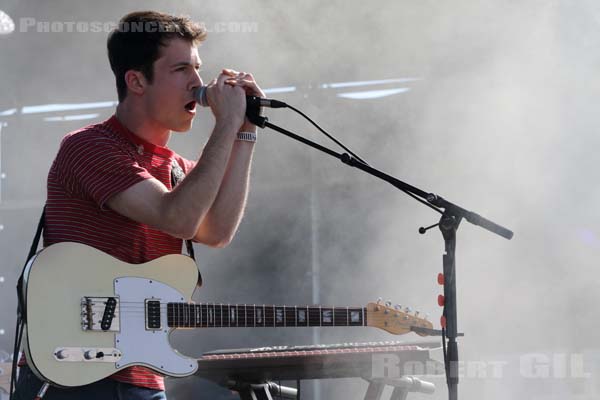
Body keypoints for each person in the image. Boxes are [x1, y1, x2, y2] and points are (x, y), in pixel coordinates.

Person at [14, 10, 263, 400]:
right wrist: (225, 126)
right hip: (73, 373)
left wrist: (245, 133)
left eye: (198, 69)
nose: (198, 84)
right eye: (181, 69)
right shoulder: (90, 146)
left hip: (141, 378)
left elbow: (217, 231)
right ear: (136, 80)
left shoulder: (181, 171)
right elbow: (176, 218)